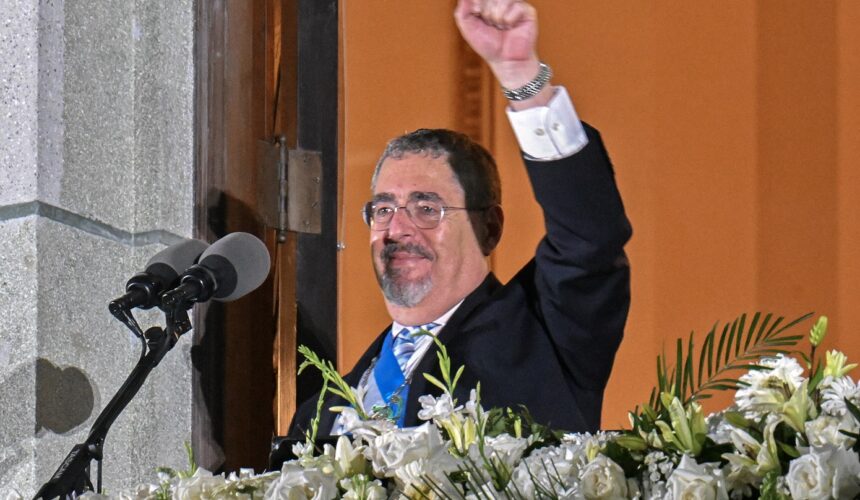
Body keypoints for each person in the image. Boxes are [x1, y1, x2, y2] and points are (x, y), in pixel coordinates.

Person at [289, 0, 631, 436]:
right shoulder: (318, 416)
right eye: (383, 209)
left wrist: (522, 78)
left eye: (426, 208)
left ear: (490, 228)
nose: (397, 230)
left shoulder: (545, 334)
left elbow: (590, 236)